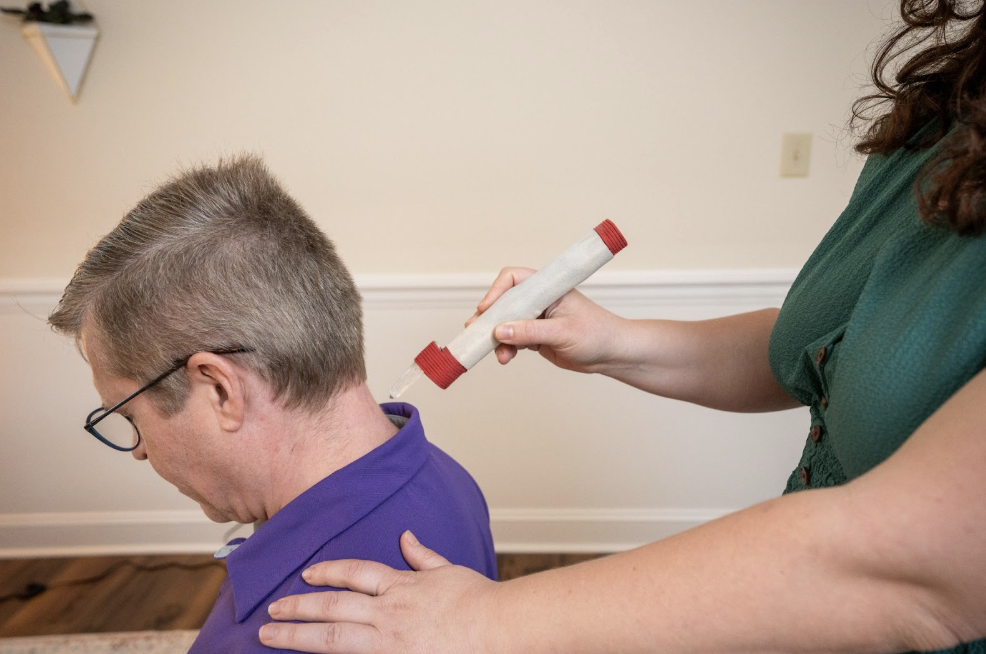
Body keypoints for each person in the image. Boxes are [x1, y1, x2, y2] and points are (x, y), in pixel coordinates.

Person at [257, 2, 986, 653]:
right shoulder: (955, 107)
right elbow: (833, 351)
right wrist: (616, 343)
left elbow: (911, 570)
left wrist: (487, 622)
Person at [47, 156, 497, 653]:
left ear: (219, 389)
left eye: (129, 415)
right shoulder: (445, 476)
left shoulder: (274, 635)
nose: (139, 451)